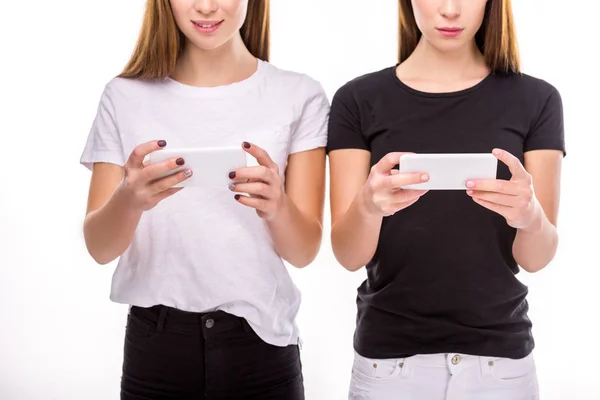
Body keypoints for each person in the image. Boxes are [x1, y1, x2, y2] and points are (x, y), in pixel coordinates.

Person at [80, 0, 329, 398]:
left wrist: (277, 206)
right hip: (155, 349)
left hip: (261, 350)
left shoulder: (299, 94)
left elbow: (304, 252)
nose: (207, 6)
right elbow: (98, 247)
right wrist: (130, 198)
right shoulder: (124, 96)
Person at [327, 0, 564, 399]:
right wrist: (367, 206)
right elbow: (348, 255)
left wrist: (531, 217)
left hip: (500, 366)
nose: (450, 10)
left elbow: (536, 258)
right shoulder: (357, 99)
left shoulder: (537, 99)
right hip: (389, 365)